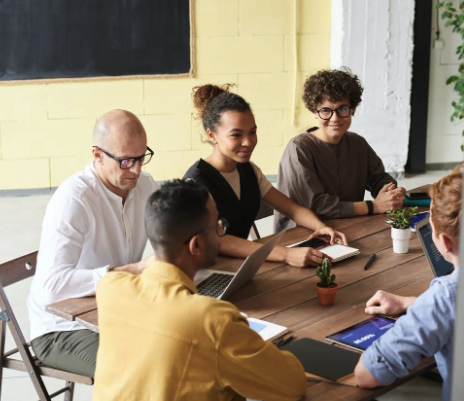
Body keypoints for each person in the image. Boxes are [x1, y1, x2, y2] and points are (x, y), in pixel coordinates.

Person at [93, 179, 307, 401]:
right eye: (218, 227)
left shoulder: (111, 289)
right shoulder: (213, 321)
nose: (222, 232)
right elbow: (293, 386)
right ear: (196, 245)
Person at [27, 110, 158, 378]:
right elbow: (51, 287)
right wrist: (133, 271)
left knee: (190, 350)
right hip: (61, 329)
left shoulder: (145, 186)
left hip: (116, 312)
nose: (136, 169)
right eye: (124, 160)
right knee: (138, 374)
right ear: (97, 154)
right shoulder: (74, 199)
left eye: (141, 157)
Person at [183, 83, 346, 268]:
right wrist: (285, 254)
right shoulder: (194, 183)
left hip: (242, 267)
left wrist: (320, 227)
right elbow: (218, 241)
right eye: (236, 135)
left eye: (252, 132)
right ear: (212, 135)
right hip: (204, 275)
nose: (248, 142)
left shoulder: (249, 170)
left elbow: (293, 210)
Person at [354, 172, 461, 401]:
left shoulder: (446, 297)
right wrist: (413, 303)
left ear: (445, 242)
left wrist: (426, 308)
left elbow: (367, 375)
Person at [275, 68, 406, 231]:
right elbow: (317, 206)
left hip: (349, 226)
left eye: (342, 109)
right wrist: (373, 206)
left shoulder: (357, 143)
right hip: (304, 235)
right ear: (314, 111)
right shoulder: (299, 149)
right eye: (325, 110)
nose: (335, 118)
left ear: (353, 109)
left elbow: (378, 178)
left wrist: (389, 193)